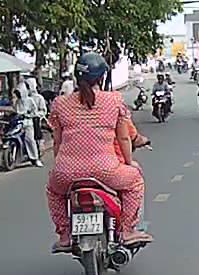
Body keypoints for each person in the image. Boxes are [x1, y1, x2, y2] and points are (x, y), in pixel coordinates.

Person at [46, 52, 148, 251]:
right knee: (135, 181)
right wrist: (129, 163)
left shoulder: (60, 103)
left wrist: (60, 167)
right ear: (102, 77)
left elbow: (57, 141)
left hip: (66, 173)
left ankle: (65, 235)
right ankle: (128, 230)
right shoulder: (114, 100)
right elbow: (124, 138)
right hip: (106, 171)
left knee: (53, 191)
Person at [12, 87, 43, 167]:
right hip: (19, 123)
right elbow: (16, 110)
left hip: (28, 122)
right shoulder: (18, 101)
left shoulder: (30, 100)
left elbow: (35, 111)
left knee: (29, 139)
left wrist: (29, 114)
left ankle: (35, 158)